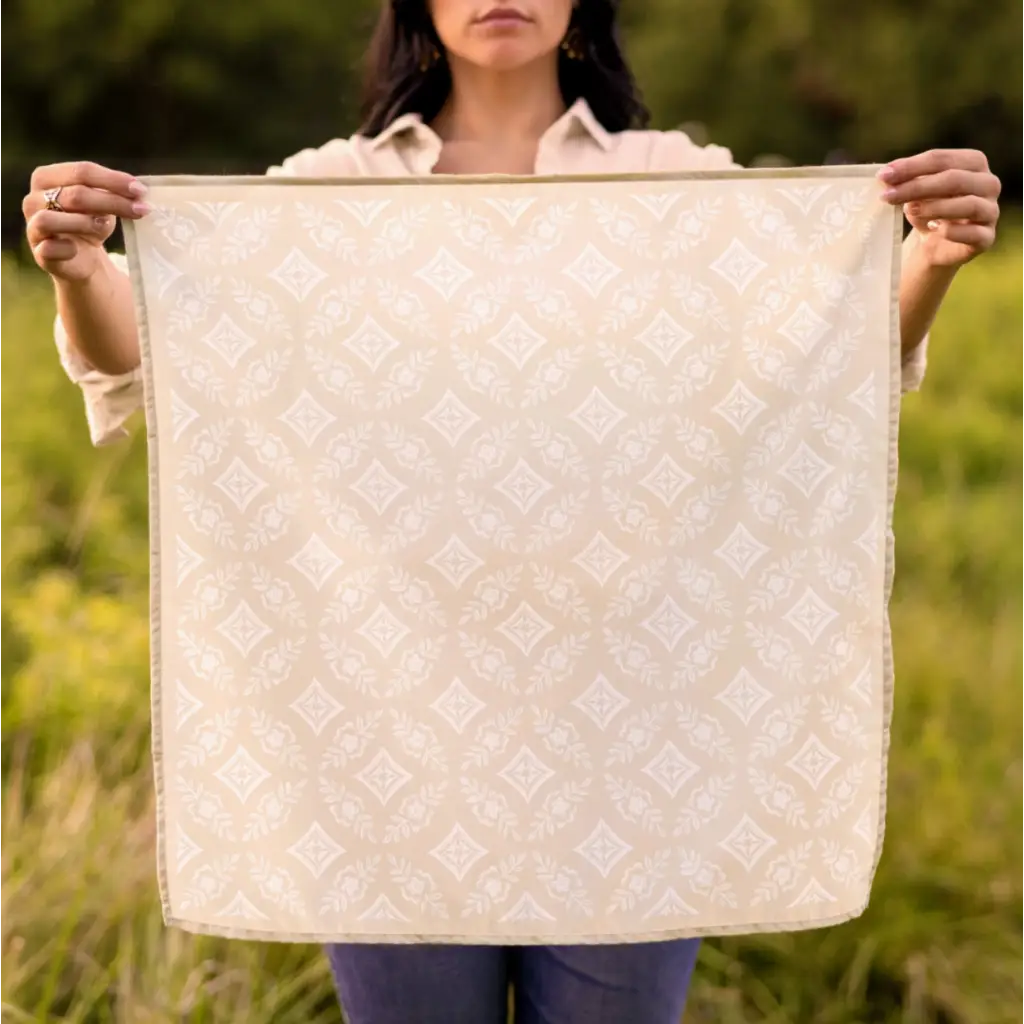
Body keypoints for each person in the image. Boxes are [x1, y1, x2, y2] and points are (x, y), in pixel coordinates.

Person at [21, 1, 1001, 1021]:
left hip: (631, 729)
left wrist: (928, 254)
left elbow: (820, 357)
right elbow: (146, 358)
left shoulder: (674, 180)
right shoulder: (324, 196)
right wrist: (82, 268)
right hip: (385, 731)